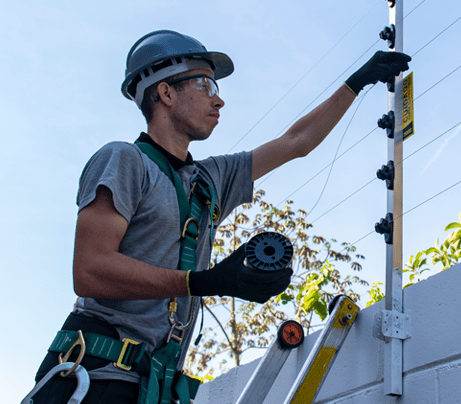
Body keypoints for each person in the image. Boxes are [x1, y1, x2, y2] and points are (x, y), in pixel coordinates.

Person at [27, 29, 410, 404]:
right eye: (205, 85)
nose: (219, 100)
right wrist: (205, 281)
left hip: (151, 385)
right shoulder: (125, 160)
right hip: (94, 376)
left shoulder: (209, 181)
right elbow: (90, 270)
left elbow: (297, 142)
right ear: (166, 93)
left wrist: (358, 82)